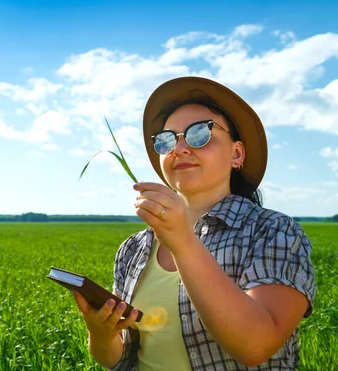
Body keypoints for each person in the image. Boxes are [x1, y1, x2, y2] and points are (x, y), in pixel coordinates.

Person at [72, 76, 316, 371]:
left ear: (236, 154)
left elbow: (256, 346)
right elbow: (119, 358)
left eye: (199, 134)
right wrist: (99, 332)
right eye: (167, 139)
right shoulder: (133, 248)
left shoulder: (272, 231)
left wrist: (182, 242)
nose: (180, 148)